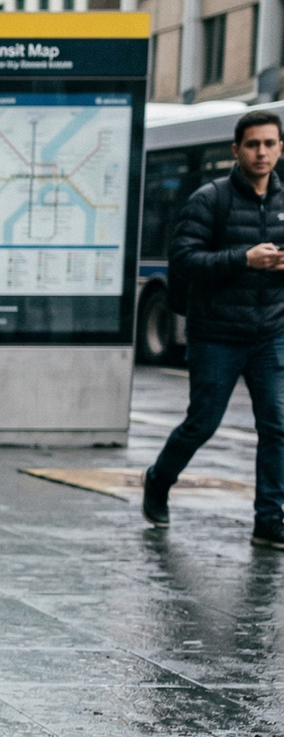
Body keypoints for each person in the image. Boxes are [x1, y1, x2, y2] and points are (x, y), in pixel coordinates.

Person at [145, 110, 284, 548]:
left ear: (281, 148)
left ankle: (268, 521)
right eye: (252, 145)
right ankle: (158, 479)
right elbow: (184, 261)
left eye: (269, 144)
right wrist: (244, 258)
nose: (261, 152)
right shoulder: (210, 199)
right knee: (202, 423)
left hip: (270, 332)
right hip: (217, 334)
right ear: (236, 150)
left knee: (277, 425)